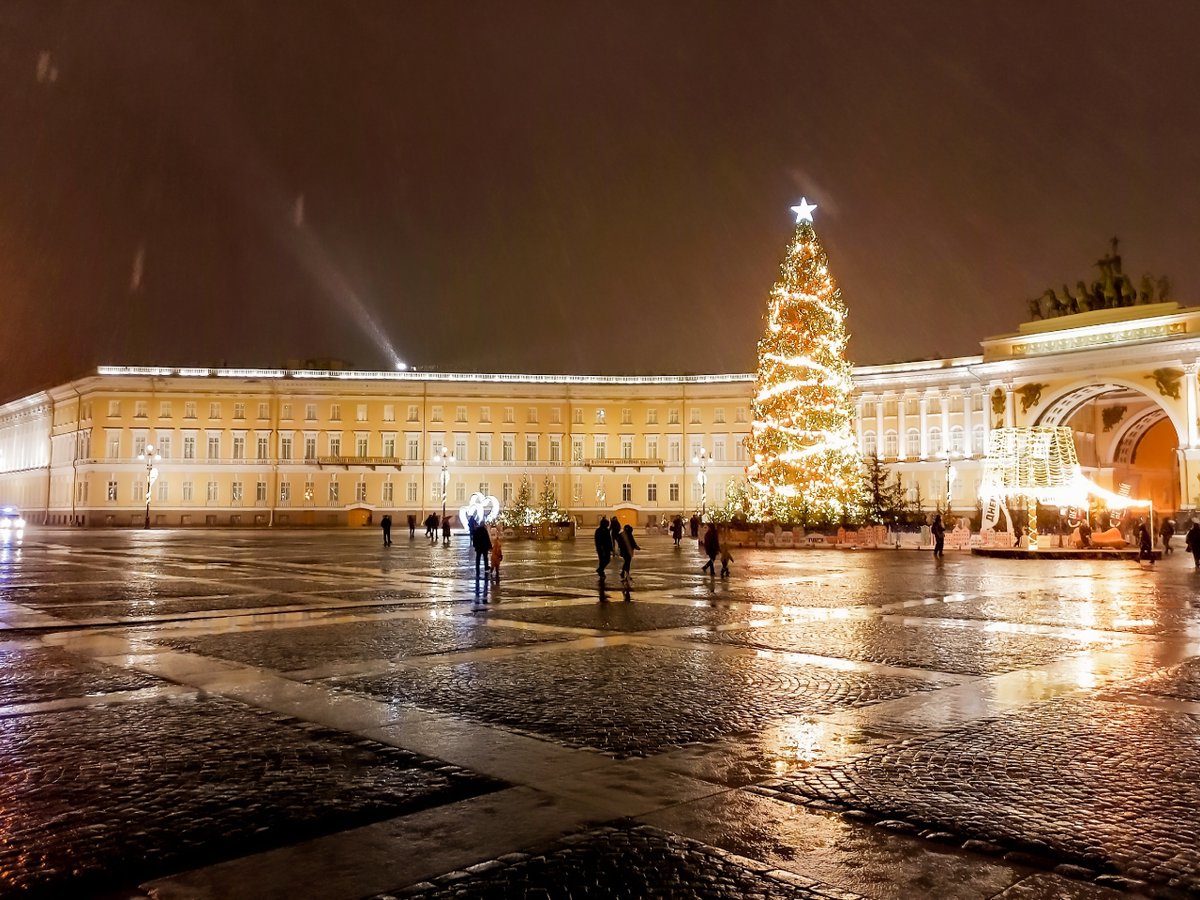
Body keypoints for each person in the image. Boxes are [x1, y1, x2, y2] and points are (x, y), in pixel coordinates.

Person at [594, 516, 613, 581]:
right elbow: (598, 540)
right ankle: (601, 571)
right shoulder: (599, 531)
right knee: (603, 560)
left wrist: (611, 548)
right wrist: (600, 548)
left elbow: (609, 539)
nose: (608, 525)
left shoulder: (606, 530)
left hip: (606, 548)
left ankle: (601, 570)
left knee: (607, 560)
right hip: (602, 548)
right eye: (607, 524)